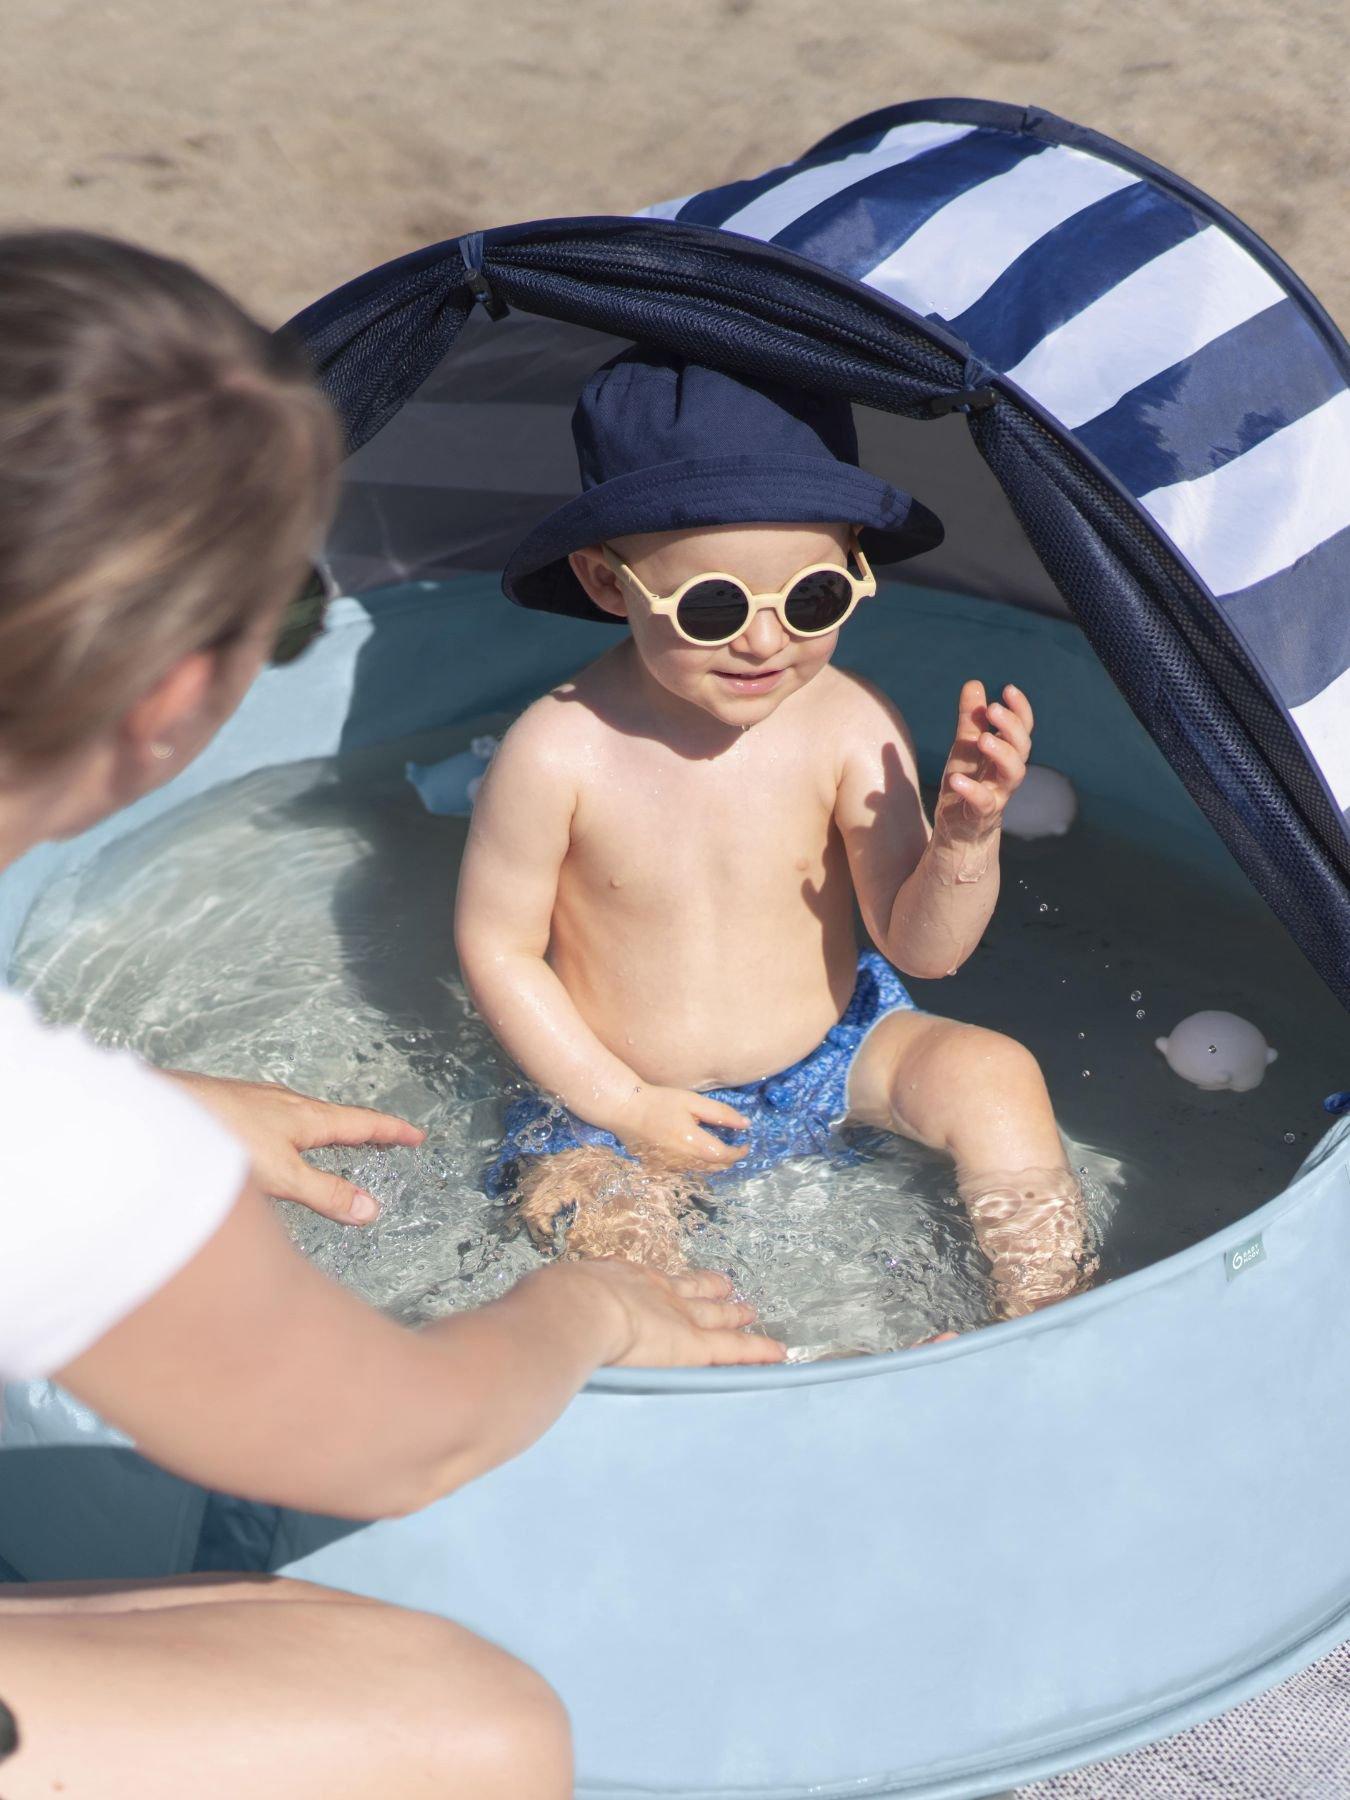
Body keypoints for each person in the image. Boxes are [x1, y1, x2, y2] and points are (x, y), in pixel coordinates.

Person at [0, 234, 782, 1800]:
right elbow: (386, 1441)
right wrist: (598, 1312)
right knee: (461, 1723)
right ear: (171, 702)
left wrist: (150, 1094)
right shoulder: (53, 1142)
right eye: (281, 631)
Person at [455, 347, 1094, 1323]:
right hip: (621, 1100)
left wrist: (963, 843)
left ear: (853, 569)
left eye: (814, 600)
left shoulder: (847, 723)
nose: (765, 642)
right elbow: (496, 949)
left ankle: (1041, 1314)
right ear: (604, 582)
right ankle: (721, 1379)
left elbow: (925, 948)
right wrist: (620, 1104)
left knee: (994, 1074)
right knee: (603, 1226)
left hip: (838, 1052)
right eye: (712, 607)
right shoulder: (558, 753)